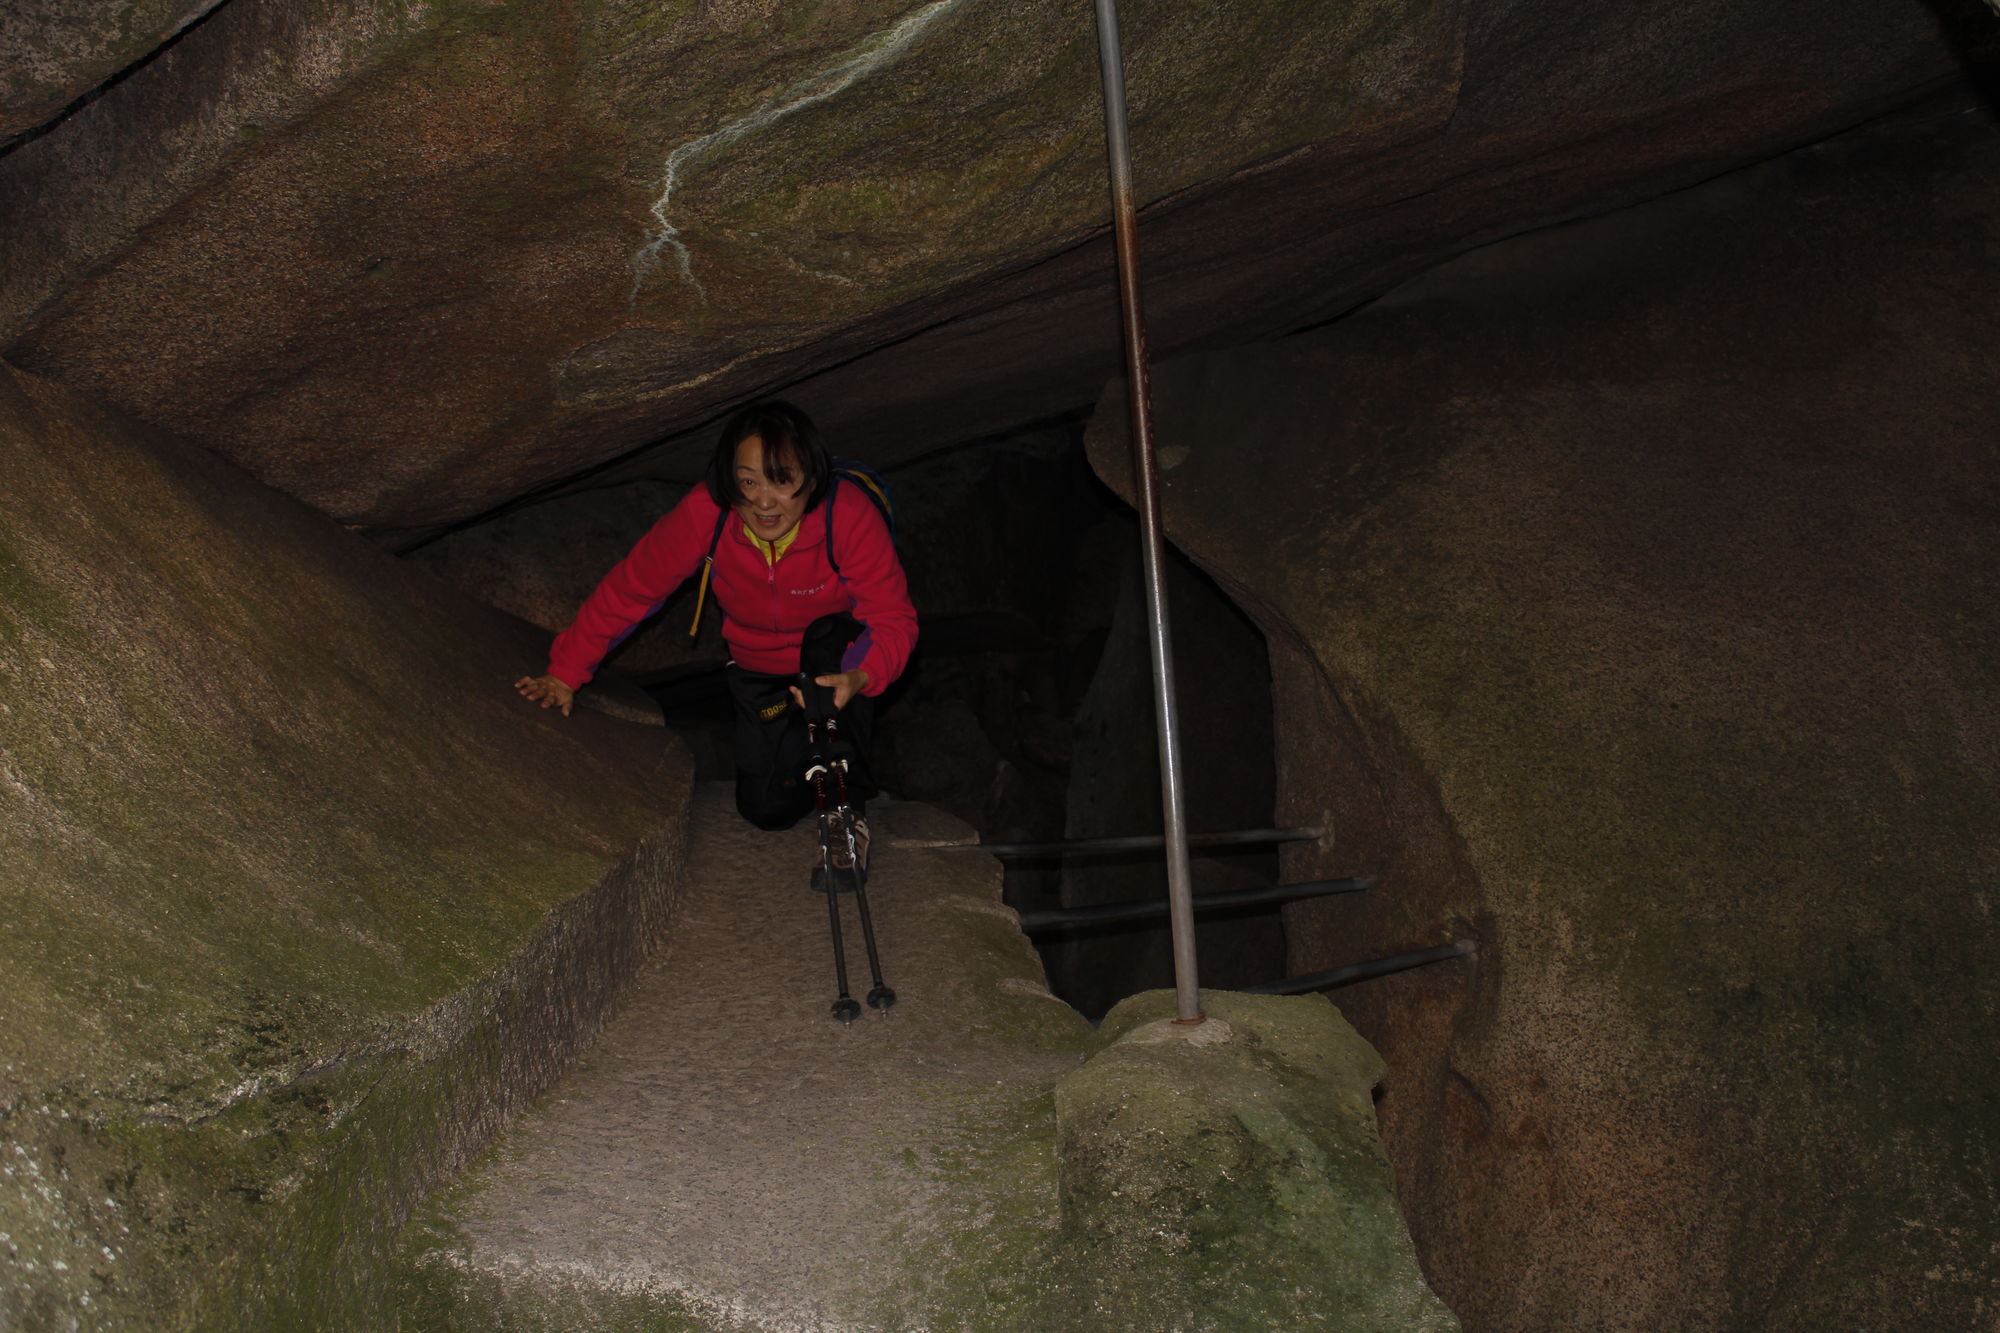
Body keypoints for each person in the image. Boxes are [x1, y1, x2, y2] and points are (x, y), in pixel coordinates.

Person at [514, 400, 916, 838]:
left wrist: (861, 676)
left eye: (783, 481)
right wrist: (566, 673)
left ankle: (844, 802)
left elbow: (892, 618)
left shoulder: (847, 514)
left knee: (829, 634)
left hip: (834, 665)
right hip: (758, 670)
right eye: (748, 481)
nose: (764, 501)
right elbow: (631, 590)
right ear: (728, 479)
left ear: (812, 480)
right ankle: (812, 764)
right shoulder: (706, 514)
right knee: (765, 810)